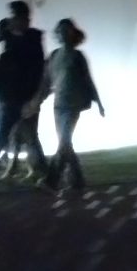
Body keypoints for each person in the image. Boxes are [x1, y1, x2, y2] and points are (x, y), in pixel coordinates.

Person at [0, 1, 47, 180]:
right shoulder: (5, 38)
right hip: (10, 95)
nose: (11, 19)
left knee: (28, 135)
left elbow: (38, 69)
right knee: (6, 133)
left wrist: (35, 98)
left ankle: (44, 172)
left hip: (26, 95)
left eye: (14, 16)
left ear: (23, 18)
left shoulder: (33, 39)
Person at [44, 19, 103, 192]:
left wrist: (98, 102)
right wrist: (37, 99)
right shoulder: (54, 56)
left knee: (64, 141)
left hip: (73, 104)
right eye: (61, 31)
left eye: (67, 30)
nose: (63, 34)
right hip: (59, 104)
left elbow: (88, 79)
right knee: (66, 143)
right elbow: (47, 80)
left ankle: (52, 180)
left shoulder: (77, 56)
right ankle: (77, 180)